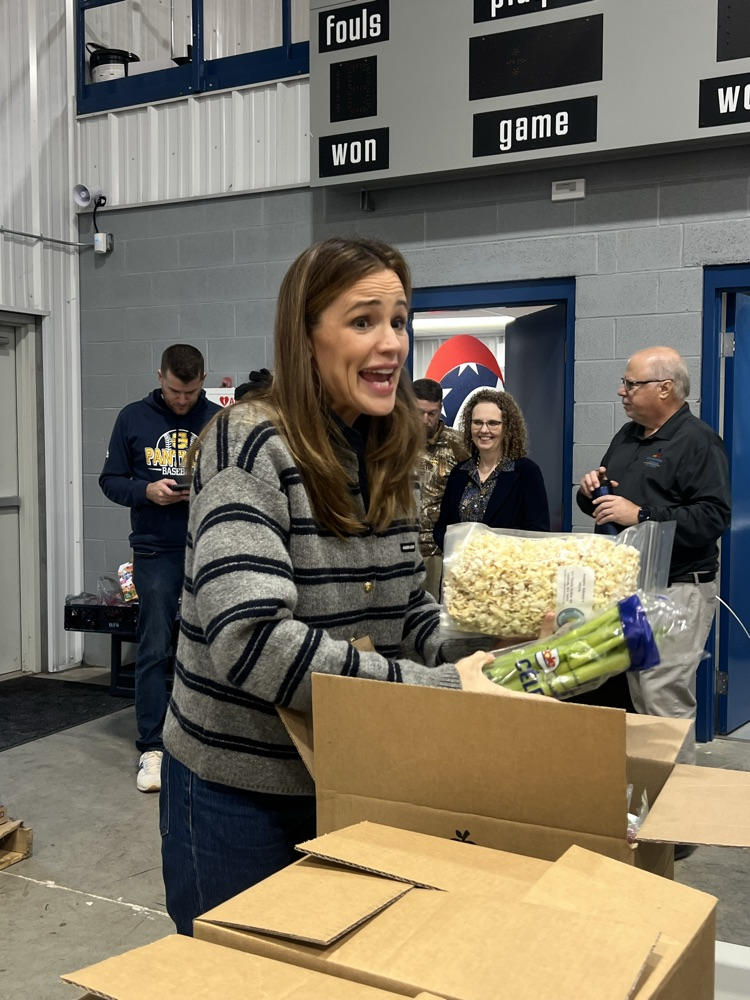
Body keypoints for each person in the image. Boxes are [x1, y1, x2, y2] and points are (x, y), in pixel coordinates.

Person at [159, 237, 528, 936]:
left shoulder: (388, 449)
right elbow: (253, 642)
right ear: (306, 336)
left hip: (353, 771)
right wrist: (443, 691)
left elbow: (405, 612)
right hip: (242, 792)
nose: (390, 343)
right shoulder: (249, 443)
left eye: (398, 320)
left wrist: (490, 645)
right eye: (364, 321)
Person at [576, 346, 731, 768]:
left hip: (677, 591)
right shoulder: (626, 437)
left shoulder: (698, 441)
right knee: (638, 694)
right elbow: (604, 505)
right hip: (629, 589)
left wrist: (641, 515)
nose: (621, 391)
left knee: (663, 698)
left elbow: (712, 518)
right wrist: (590, 491)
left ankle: (677, 824)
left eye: (631, 383)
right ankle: (644, 805)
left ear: (665, 389)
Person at [99, 344, 221, 793]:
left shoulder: (217, 420)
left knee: (211, 646)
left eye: (191, 392)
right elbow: (109, 481)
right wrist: (147, 492)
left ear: (202, 380)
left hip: (209, 546)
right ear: (160, 376)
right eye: (174, 391)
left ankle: (205, 737)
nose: (182, 400)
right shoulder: (133, 418)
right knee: (154, 647)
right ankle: (152, 747)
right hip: (155, 550)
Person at [433, 387, 550, 553]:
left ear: (507, 428)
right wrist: (457, 549)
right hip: (460, 571)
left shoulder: (526, 472)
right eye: (477, 422)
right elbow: (442, 527)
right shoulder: (459, 472)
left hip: (504, 573)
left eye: (493, 423)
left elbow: (537, 533)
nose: (484, 430)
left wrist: (491, 551)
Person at [412, 378, 468, 598]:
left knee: (430, 614)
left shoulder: (459, 444)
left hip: (434, 548)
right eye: (419, 412)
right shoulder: (392, 440)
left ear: (440, 409)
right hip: (395, 545)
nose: (426, 420)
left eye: (432, 413)